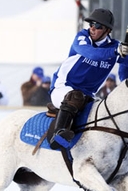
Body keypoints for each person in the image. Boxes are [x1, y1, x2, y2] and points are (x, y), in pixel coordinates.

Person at [49, 8, 128, 149]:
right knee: (75, 96)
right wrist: (116, 51)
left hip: (88, 96)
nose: (92, 28)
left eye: (98, 26)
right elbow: (92, 54)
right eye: (91, 24)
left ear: (107, 31)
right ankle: (58, 135)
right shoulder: (82, 38)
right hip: (63, 88)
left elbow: (125, 67)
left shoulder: (115, 47)